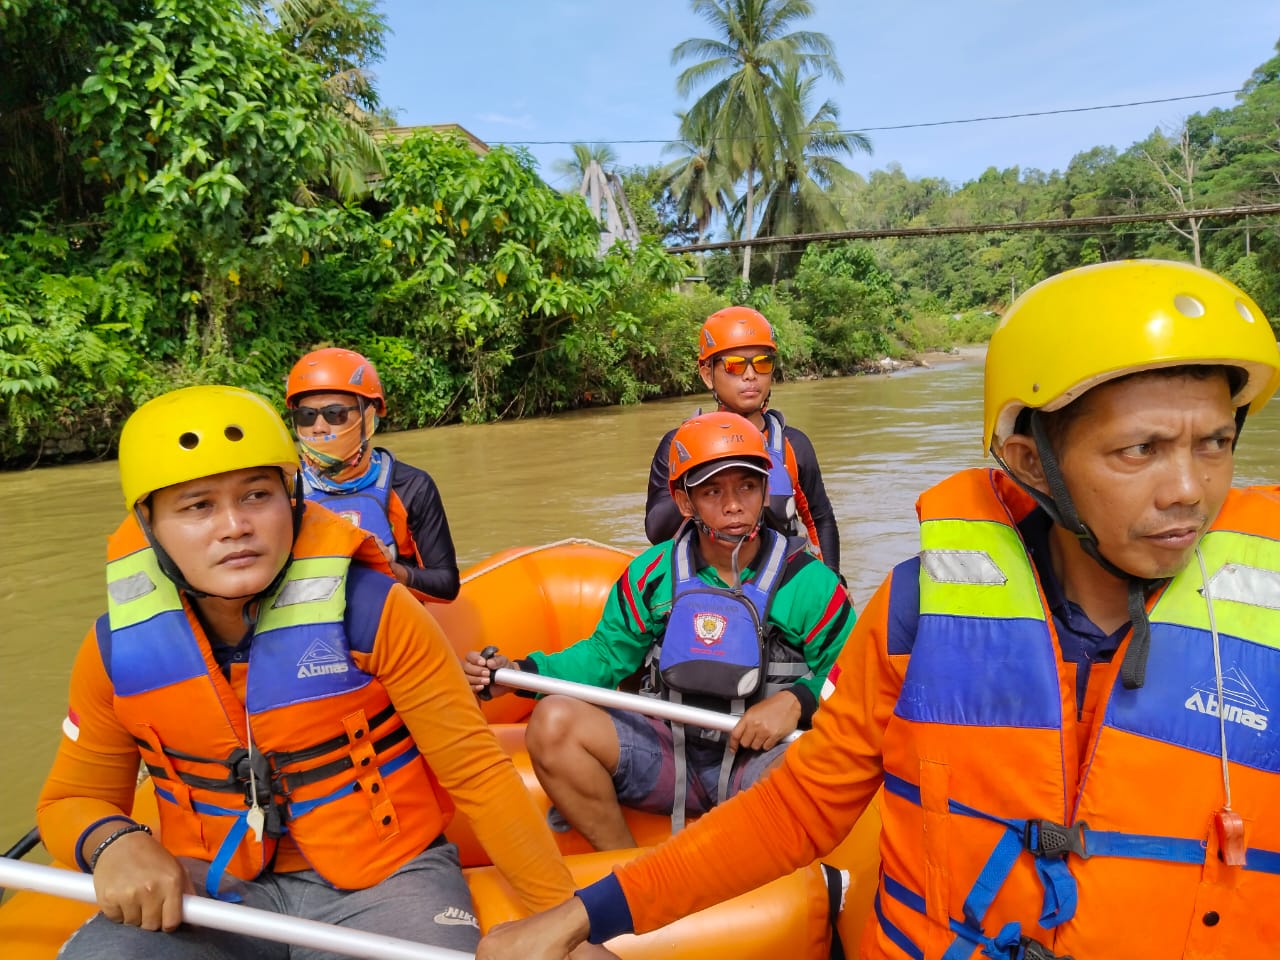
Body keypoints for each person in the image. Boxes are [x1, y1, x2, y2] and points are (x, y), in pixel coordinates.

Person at [474, 259, 1280, 960]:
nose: (1188, 489)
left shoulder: (804, 580)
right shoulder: (913, 614)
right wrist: (586, 912)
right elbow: (782, 801)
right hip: (683, 745)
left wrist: (791, 696)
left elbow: (821, 586)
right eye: (1139, 450)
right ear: (1032, 460)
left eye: (1215, 442)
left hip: (753, 740)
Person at [35, 386, 587, 958]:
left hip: (388, 878)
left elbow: (477, 773)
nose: (234, 526)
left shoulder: (376, 612)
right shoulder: (113, 650)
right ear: (149, 523)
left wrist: (564, 922)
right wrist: (113, 841)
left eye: (257, 495)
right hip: (211, 890)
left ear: (292, 499)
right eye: (197, 506)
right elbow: (70, 800)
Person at [465, 411, 854, 848]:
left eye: (747, 486)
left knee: (829, 764)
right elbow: (604, 658)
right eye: (712, 491)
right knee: (553, 722)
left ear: (765, 490)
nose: (733, 505)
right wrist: (519, 671)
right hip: (669, 752)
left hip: (762, 759)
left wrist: (797, 701)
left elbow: (857, 677)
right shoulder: (651, 575)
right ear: (685, 502)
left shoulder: (810, 583)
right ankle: (625, 872)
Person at [644, 306, 841, 574]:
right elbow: (657, 530)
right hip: (705, 581)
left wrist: (834, 579)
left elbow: (820, 519)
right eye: (735, 365)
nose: (750, 375)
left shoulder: (793, 445)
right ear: (707, 375)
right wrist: (695, 470)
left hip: (779, 582)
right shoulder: (677, 445)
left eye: (762, 363)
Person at [286, 347, 460, 602]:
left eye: (335, 414)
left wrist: (390, 569)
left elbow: (446, 585)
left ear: (369, 415)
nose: (319, 428)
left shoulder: (411, 487)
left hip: (393, 622)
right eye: (307, 416)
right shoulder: (285, 489)